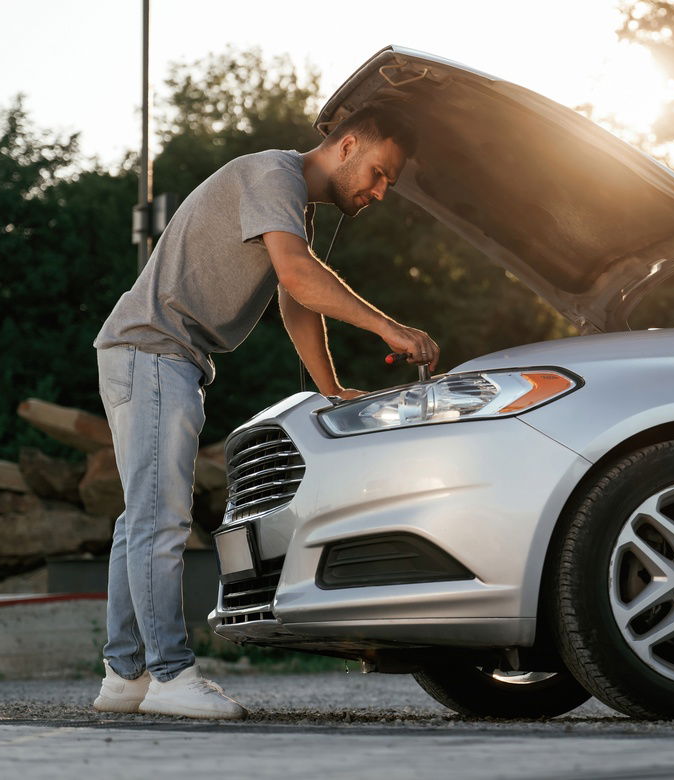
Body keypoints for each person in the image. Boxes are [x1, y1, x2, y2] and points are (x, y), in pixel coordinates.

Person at [90, 105, 438, 719]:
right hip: (152, 353)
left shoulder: (289, 202)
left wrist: (330, 387)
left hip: (156, 357)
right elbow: (301, 278)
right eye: (379, 173)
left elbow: (294, 301)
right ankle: (171, 676)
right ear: (348, 145)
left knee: (138, 521)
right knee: (160, 522)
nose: (380, 191)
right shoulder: (273, 174)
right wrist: (390, 328)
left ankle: (125, 675)